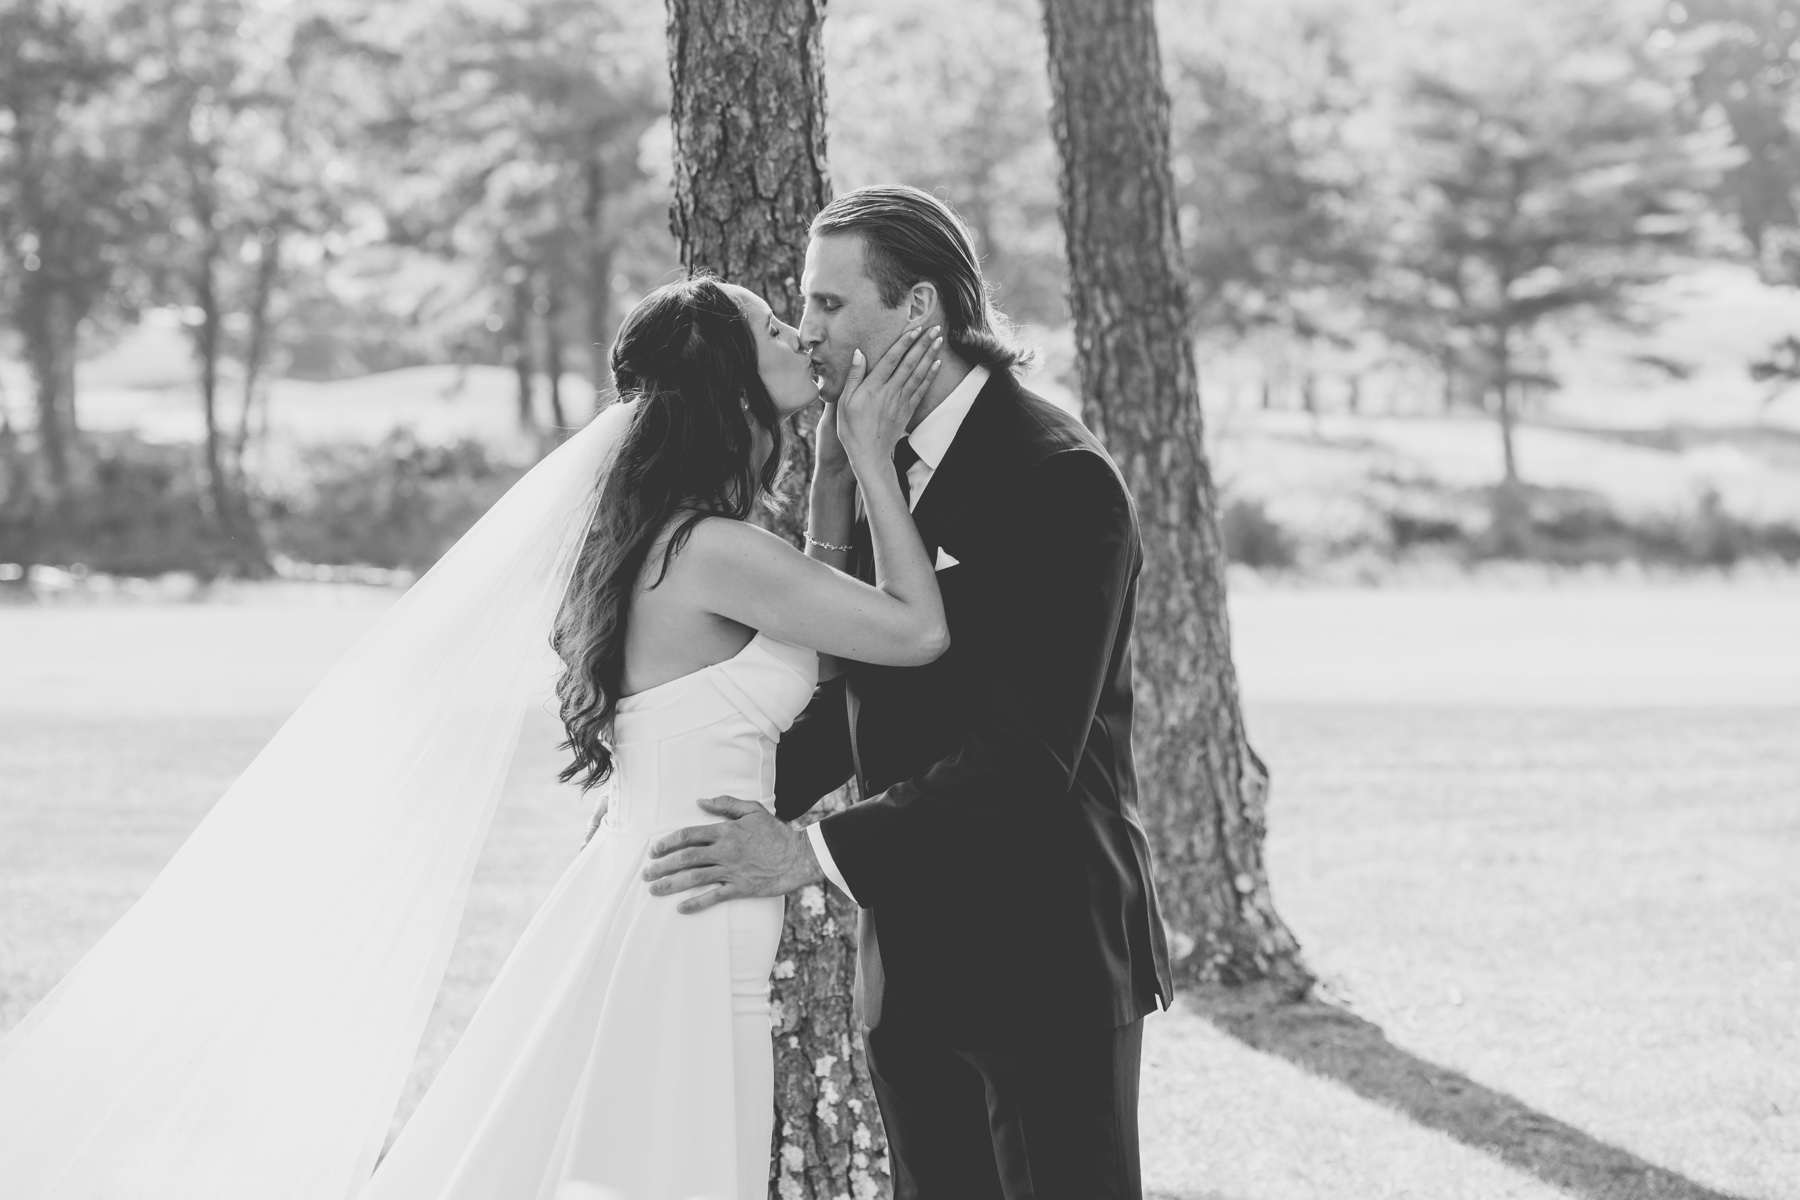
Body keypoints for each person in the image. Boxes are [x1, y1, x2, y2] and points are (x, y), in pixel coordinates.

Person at [0, 275, 947, 1200]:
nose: (798, 336)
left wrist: (826, 478)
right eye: (773, 327)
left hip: (671, 892)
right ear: (727, 381)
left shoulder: (686, 542)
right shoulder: (714, 552)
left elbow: (825, 649)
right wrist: (867, 459)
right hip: (684, 915)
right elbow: (913, 633)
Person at [644, 185, 1175, 1200]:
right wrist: (688, 804)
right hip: (910, 957)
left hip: (1046, 955)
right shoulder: (866, 466)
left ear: (921, 311)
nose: (809, 331)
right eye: (804, 308)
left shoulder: (1058, 478)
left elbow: (1024, 758)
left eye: (832, 305)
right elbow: (858, 710)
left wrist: (804, 854)